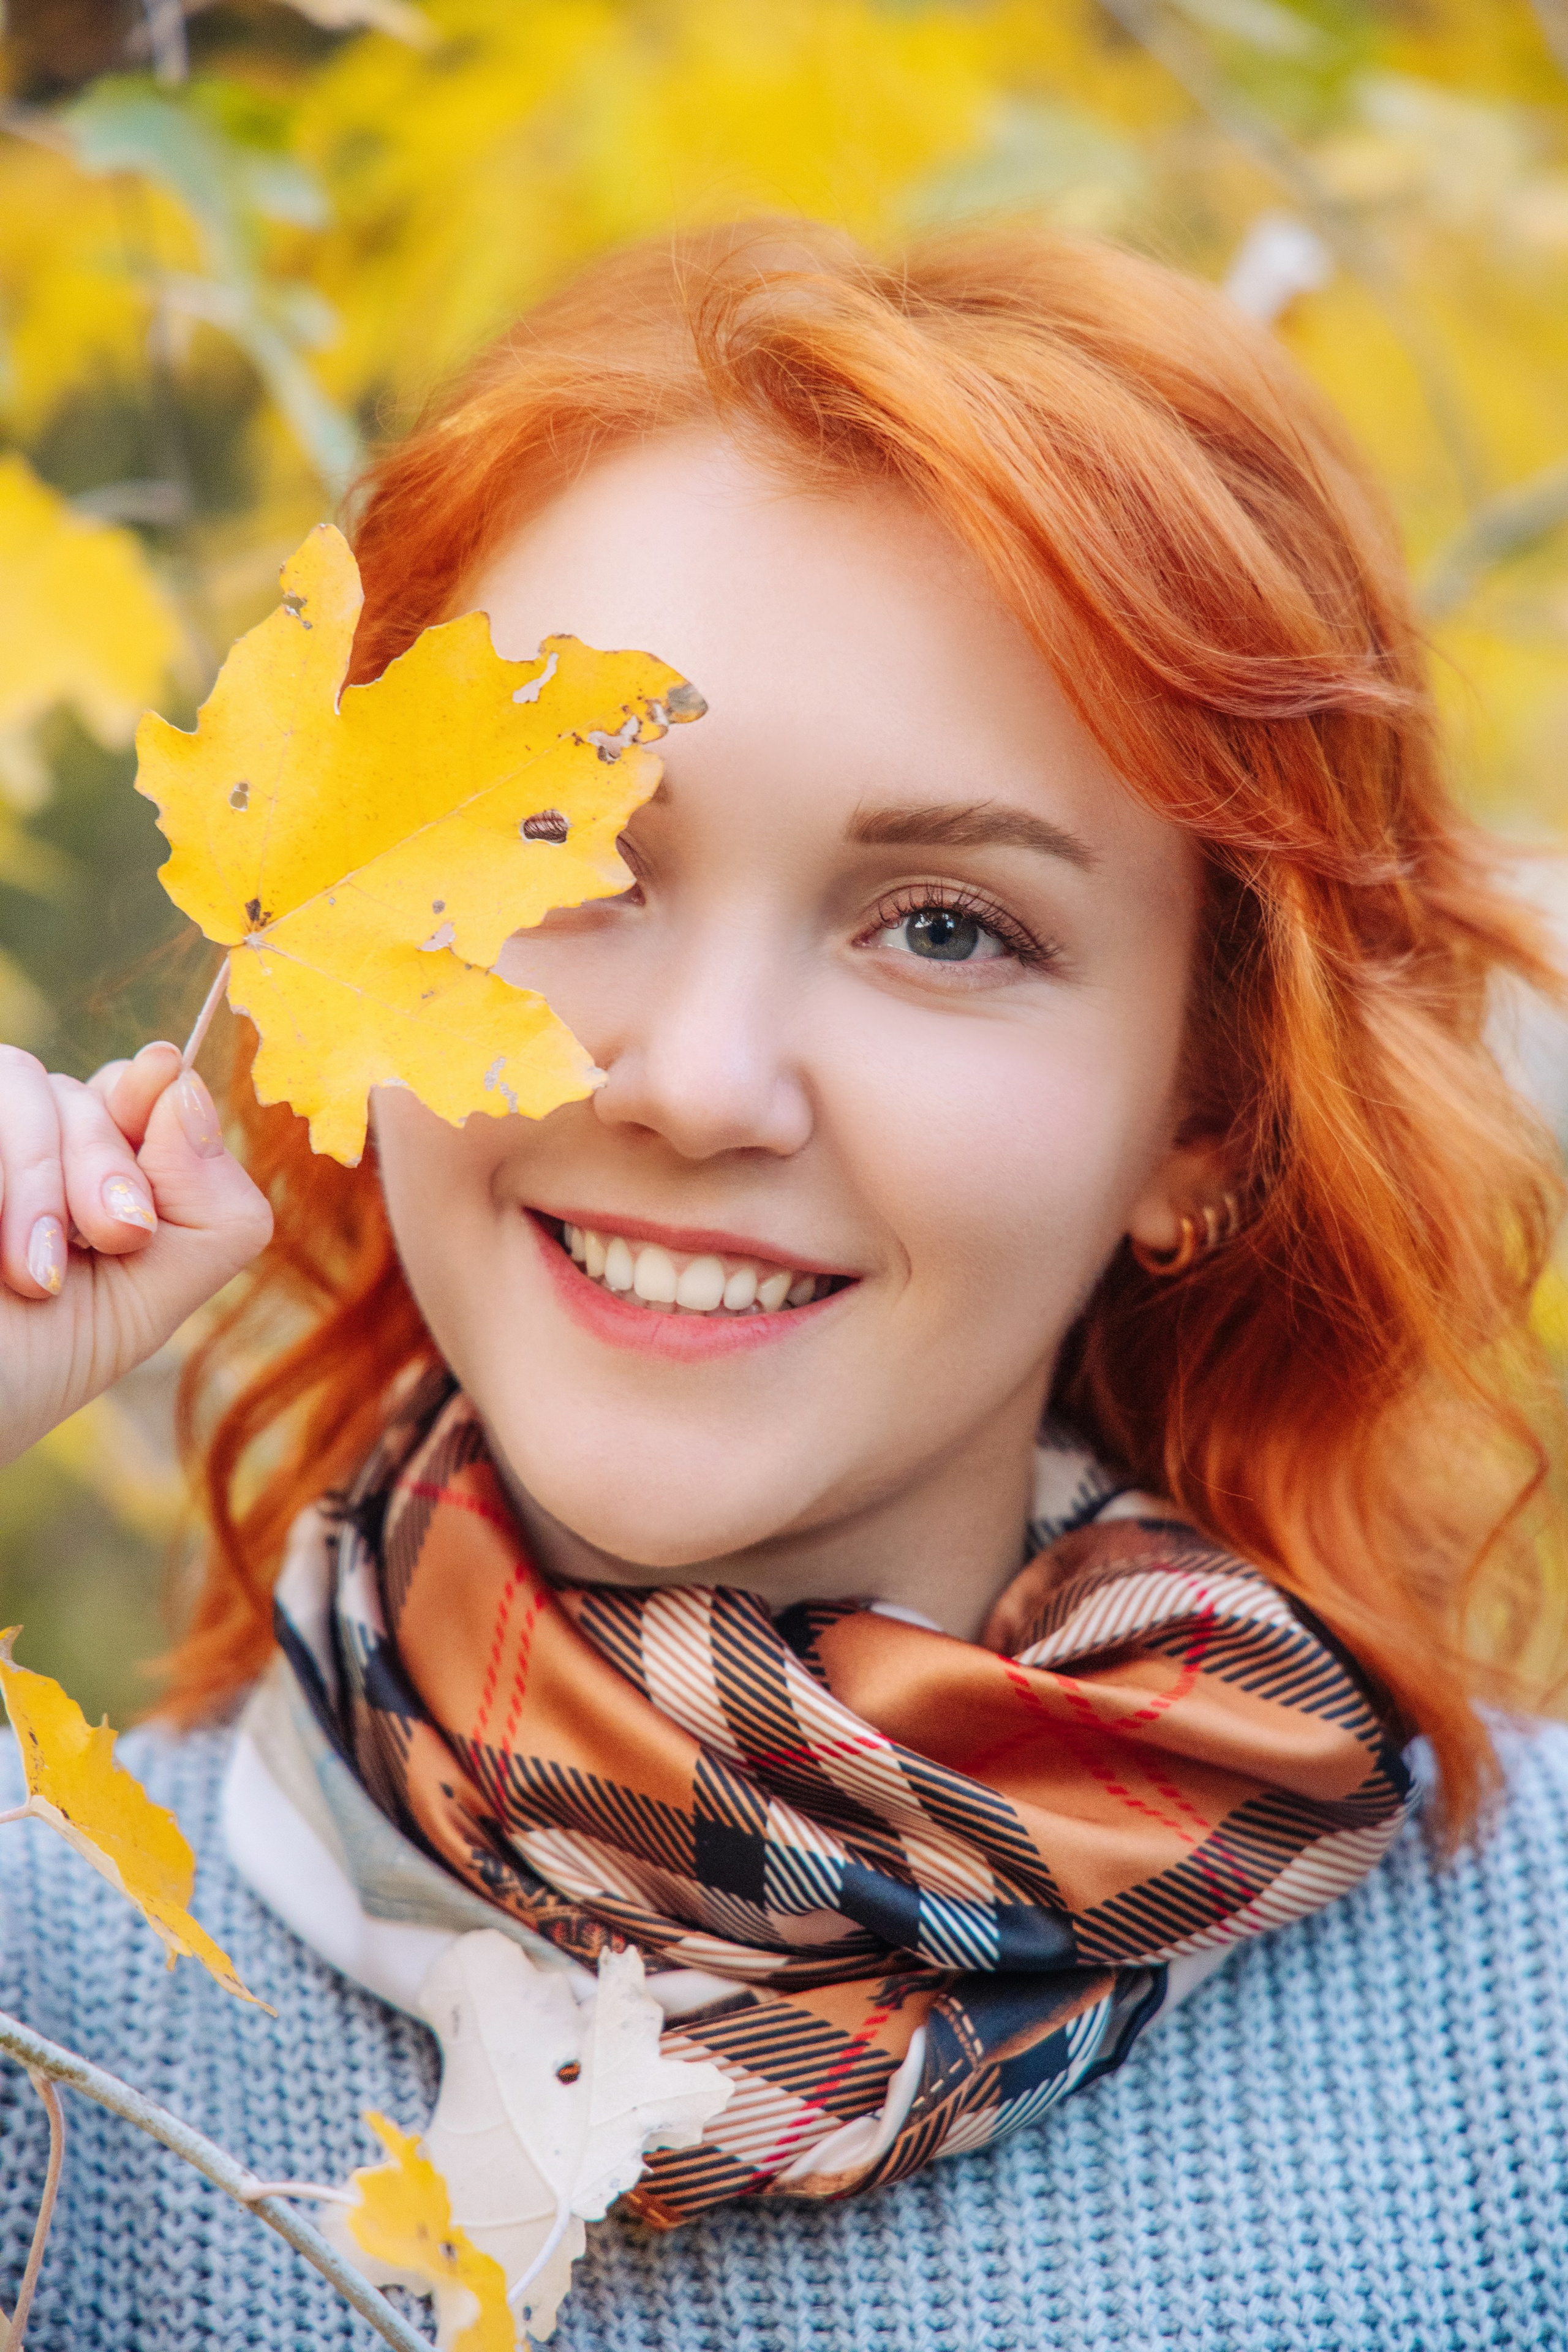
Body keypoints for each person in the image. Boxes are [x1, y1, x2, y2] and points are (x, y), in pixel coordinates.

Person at [0, 220, 1565, 2351]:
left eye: (945, 927)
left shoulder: (1529, 2011)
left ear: (1204, 1112)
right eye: (568, 856)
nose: (703, 1082)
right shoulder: (54, 2001)